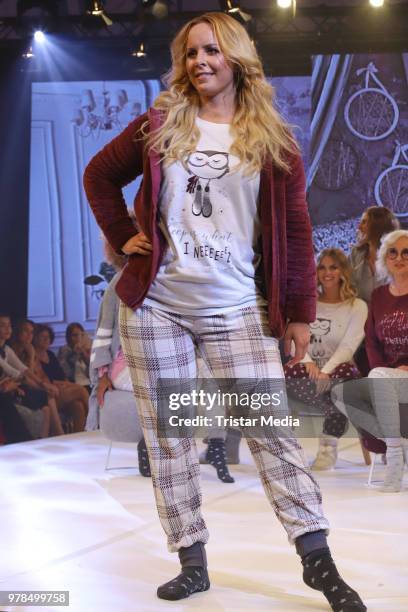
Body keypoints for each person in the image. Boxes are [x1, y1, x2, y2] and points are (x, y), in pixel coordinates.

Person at [84, 13, 366, 610]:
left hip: (237, 306)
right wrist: (122, 233)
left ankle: (317, 560)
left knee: (271, 432)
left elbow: (294, 227)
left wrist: (297, 313)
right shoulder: (160, 124)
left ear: (236, 57)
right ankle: (191, 559)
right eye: (190, 53)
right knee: (171, 437)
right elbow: (99, 175)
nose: (199, 62)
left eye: (211, 50)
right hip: (157, 307)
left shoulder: (272, 138)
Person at [336, 230, 408, 492]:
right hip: (386, 379)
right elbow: (371, 343)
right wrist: (383, 371)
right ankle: (399, 444)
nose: (399, 258)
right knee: (342, 393)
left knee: (378, 378)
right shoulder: (378, 296)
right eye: (393, 252)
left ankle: (395, 459)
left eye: (406, 252)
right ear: (384, 258)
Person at [285, 249, 368, 470]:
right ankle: (327, 446)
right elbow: (292, 335)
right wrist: (307, 361)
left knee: (345, 379)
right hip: (306, 371)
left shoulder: (357, 306)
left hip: (337, 372)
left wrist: (326, 371)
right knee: (289, 373)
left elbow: (349, 346)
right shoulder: (307, 303)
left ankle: (328, 446)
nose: (327, 272)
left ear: (343, 271)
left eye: (333, 267)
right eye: (322, 267)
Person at [87, 233, 151, 477]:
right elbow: (103, 333)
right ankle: (148, 444)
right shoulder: (117, 285)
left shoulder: (159, 280)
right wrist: (102, 375)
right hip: (124, 362)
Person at [0, 314, 63, 437]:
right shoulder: (12, 348)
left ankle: (45, 440)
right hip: (6, 391)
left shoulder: (6, 349)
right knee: (43, 395)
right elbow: (15, 373)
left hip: (12, 388)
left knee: (45, 401)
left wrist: (43, 385)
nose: (7, 329)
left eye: (9, 325)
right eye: (2, 325)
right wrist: (42, 386)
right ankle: (55, 434)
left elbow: (24, 370)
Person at [33, 324, 88, 433]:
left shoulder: (50, 355)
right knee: (81, 390)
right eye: (42, 337)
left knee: (78, 406)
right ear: (35, 338)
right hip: (50, 393)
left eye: (48, 337)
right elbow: (45, 380)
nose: (46, 340)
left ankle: (79, 436)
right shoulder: (32, 356)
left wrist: (67, 384)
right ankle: (95, 422)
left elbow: (62, 376)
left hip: (62, 388)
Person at [350, 206, 399, 304]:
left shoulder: (399, 257)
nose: (359, 227)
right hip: (362, 313)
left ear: (378, 226)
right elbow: (348, 287)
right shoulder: (356, 253)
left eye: (364, 222)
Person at [58, 323, 91, 393]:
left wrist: (83, 354)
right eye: (75, 335)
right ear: (69, 337)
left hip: (89, 383)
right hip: (73, 384)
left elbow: (92, 372)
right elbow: (66, 372)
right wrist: (75, 354)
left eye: (81, 335)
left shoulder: (88, 349)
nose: (78, 338)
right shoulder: (64, 350)